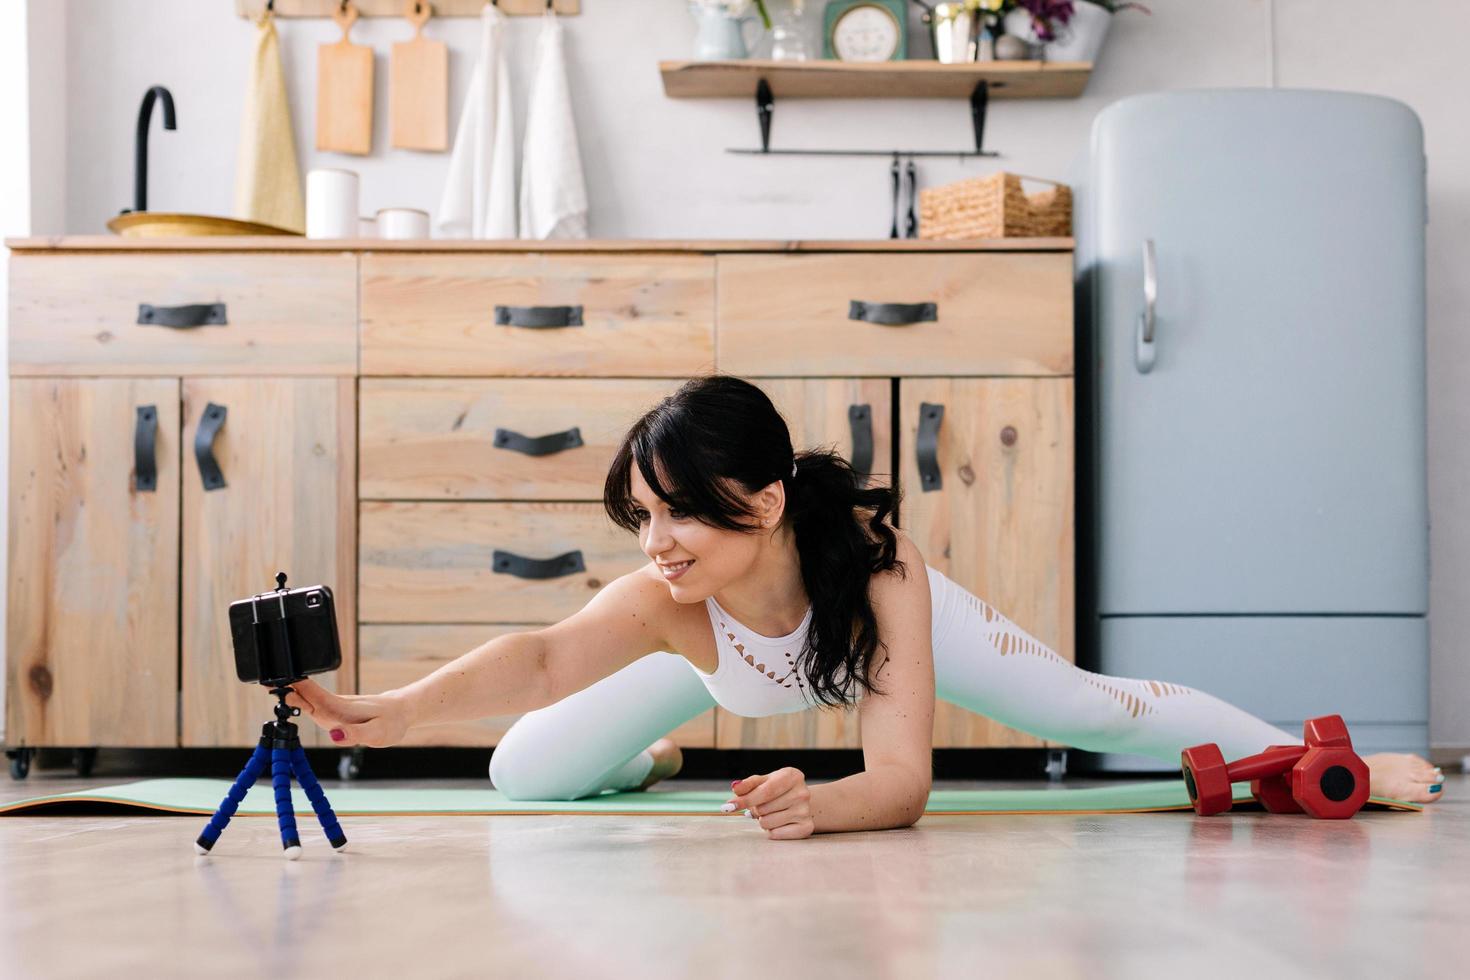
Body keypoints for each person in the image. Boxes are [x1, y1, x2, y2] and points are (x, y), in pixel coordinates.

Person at [282, 375, 1446, 839]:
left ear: (772, 497)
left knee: (1099, 707)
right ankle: (645, 755)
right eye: (640, 516)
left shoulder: (879, 570)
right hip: (717, 669)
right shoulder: (665, 594)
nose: (657, 543)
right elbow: (539, 659)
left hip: (865, 640)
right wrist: (390, 706)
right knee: (518, 773)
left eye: (680, 513)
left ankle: (1309, 750)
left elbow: (900, 781)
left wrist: (819, 801)